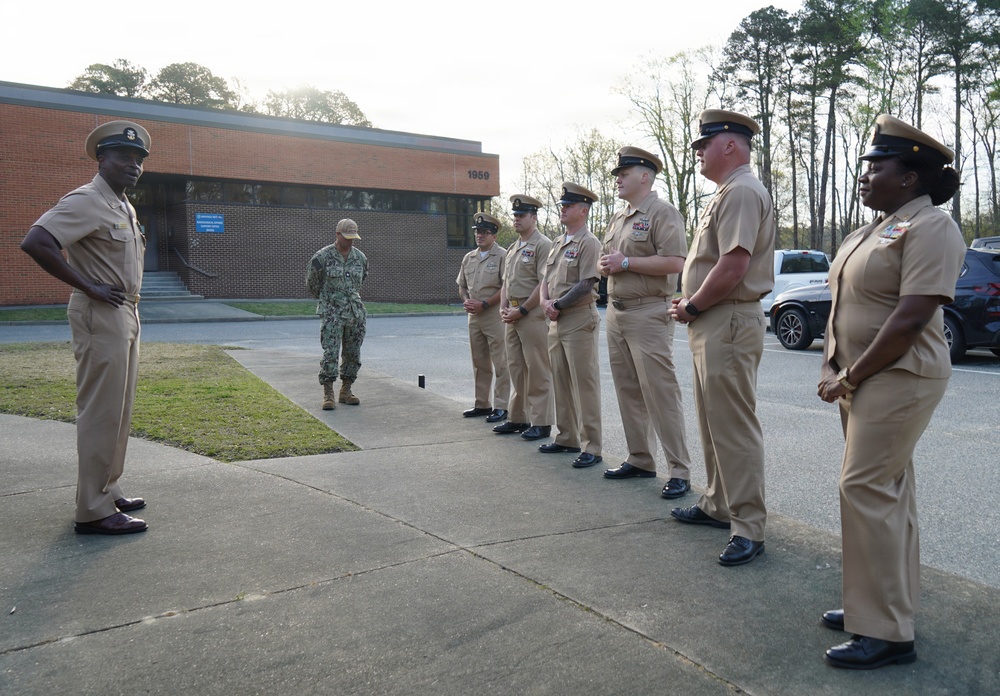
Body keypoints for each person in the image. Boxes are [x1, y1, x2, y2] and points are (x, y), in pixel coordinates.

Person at [816, 115, 965, 670]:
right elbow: (846, 305)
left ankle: (887, 633)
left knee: (864, 486)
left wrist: (850, 376)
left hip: (900, 374)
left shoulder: (933, 227)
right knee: (887, 490)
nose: (866, 173)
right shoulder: (871, 230)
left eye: (878, 166)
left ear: (909, 177)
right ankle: (876, 606)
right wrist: (834, 362)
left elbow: (909, 317)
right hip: (863, 375)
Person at [20, 120, 152, 535]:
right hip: (100, 313)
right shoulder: (85, 199)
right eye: (124, 157)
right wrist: (89, 285)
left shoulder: (123, 206)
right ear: (102, 160)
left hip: (126, 312)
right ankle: (92, 511)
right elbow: (36, 241)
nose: (133, 165)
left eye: (139, 160)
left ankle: (108, 488)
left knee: (119, 410)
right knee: (100, 412)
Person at [668, 109, 775, 566]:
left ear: (730, 145)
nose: (697, 152)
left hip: (726, 319)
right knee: (713, 422)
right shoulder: (727, 192)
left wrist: (692, 304)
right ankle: (718, 504)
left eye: (703, 144)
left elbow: (732, 266)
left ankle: (748, 526)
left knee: (732, 426)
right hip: (713, 321)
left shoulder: (744, 191)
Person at [598, 147, 692, 498]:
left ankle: (679, 469)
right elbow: (607, 261)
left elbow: (675, 262)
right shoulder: (620, 217)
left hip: (649, 311)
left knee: (660, 392)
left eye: (625, 172)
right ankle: (640, 458)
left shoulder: (663, 212)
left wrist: (626, 265)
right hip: (616, 311)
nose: (618, 178)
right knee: (627, 389)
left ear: (646, 176)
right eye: (618, 174)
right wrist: (606, 266)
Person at [539, 183, 603, 468]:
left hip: (577, 318)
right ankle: (567, 437)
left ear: (583, 210)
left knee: (583, 384)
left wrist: (557, 305)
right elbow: (546, 279)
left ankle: (592, 446)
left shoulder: (589, 242)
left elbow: (587, 283)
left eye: (568, 206)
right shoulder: (558, 242)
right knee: (561, 381)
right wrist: (544, 302)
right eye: (562, 205)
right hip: (556, 319)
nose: (562, 209)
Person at [494, 195, 555, 441]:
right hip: (513, 314)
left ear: (533, 217)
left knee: (538, 369)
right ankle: (519, 417)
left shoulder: (543, 244)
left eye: (521, 216)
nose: (516, 219)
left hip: (532, 315)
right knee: (516, 368)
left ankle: (542, 422)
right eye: (515, 216)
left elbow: (543, 283)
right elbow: (506, 282)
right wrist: (504, 307)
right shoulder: (513, 247)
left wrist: (524, 310)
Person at [307, 218, 369, 410]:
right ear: (337, 234)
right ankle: (328, 393)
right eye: (347, 237)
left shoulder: (360, 258)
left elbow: (361, 280)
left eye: (353, 237)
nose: (351, 241)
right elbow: (312, 284)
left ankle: (346, 390)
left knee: (353, 354)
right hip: (332, 313)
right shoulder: (322, 257)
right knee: (331, 354)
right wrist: (330, 300)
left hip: (354, 313)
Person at [457, 212, 509, 423]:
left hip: (493, 315)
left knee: (501, 363)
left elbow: (506, 286)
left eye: (485, 232)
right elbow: (461, 285)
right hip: (474, 316)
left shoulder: (503, 256)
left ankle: (502, 406)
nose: (480, 235)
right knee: (479, 362)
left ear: (494, 235)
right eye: (478, 232)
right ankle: (482, 403)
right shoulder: (468, 257)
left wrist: (485, 304)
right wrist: (467, 300)